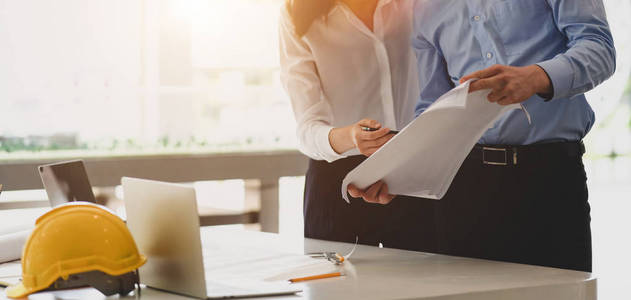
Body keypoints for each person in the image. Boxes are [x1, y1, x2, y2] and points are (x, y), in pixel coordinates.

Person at [349, 0, 615, 272]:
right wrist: (399, 170)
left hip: (549, 178)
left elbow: (600, 49)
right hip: (464, 189)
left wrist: (535, 77)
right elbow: (434, 106)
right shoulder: (423, 7)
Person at [279, 0, 436, 251]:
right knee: (335, 288)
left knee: (430, 284)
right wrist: (350, 137)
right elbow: (307, 128)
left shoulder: (414, 5)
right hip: (338, 184)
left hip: (414, 176)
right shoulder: (297, 13)